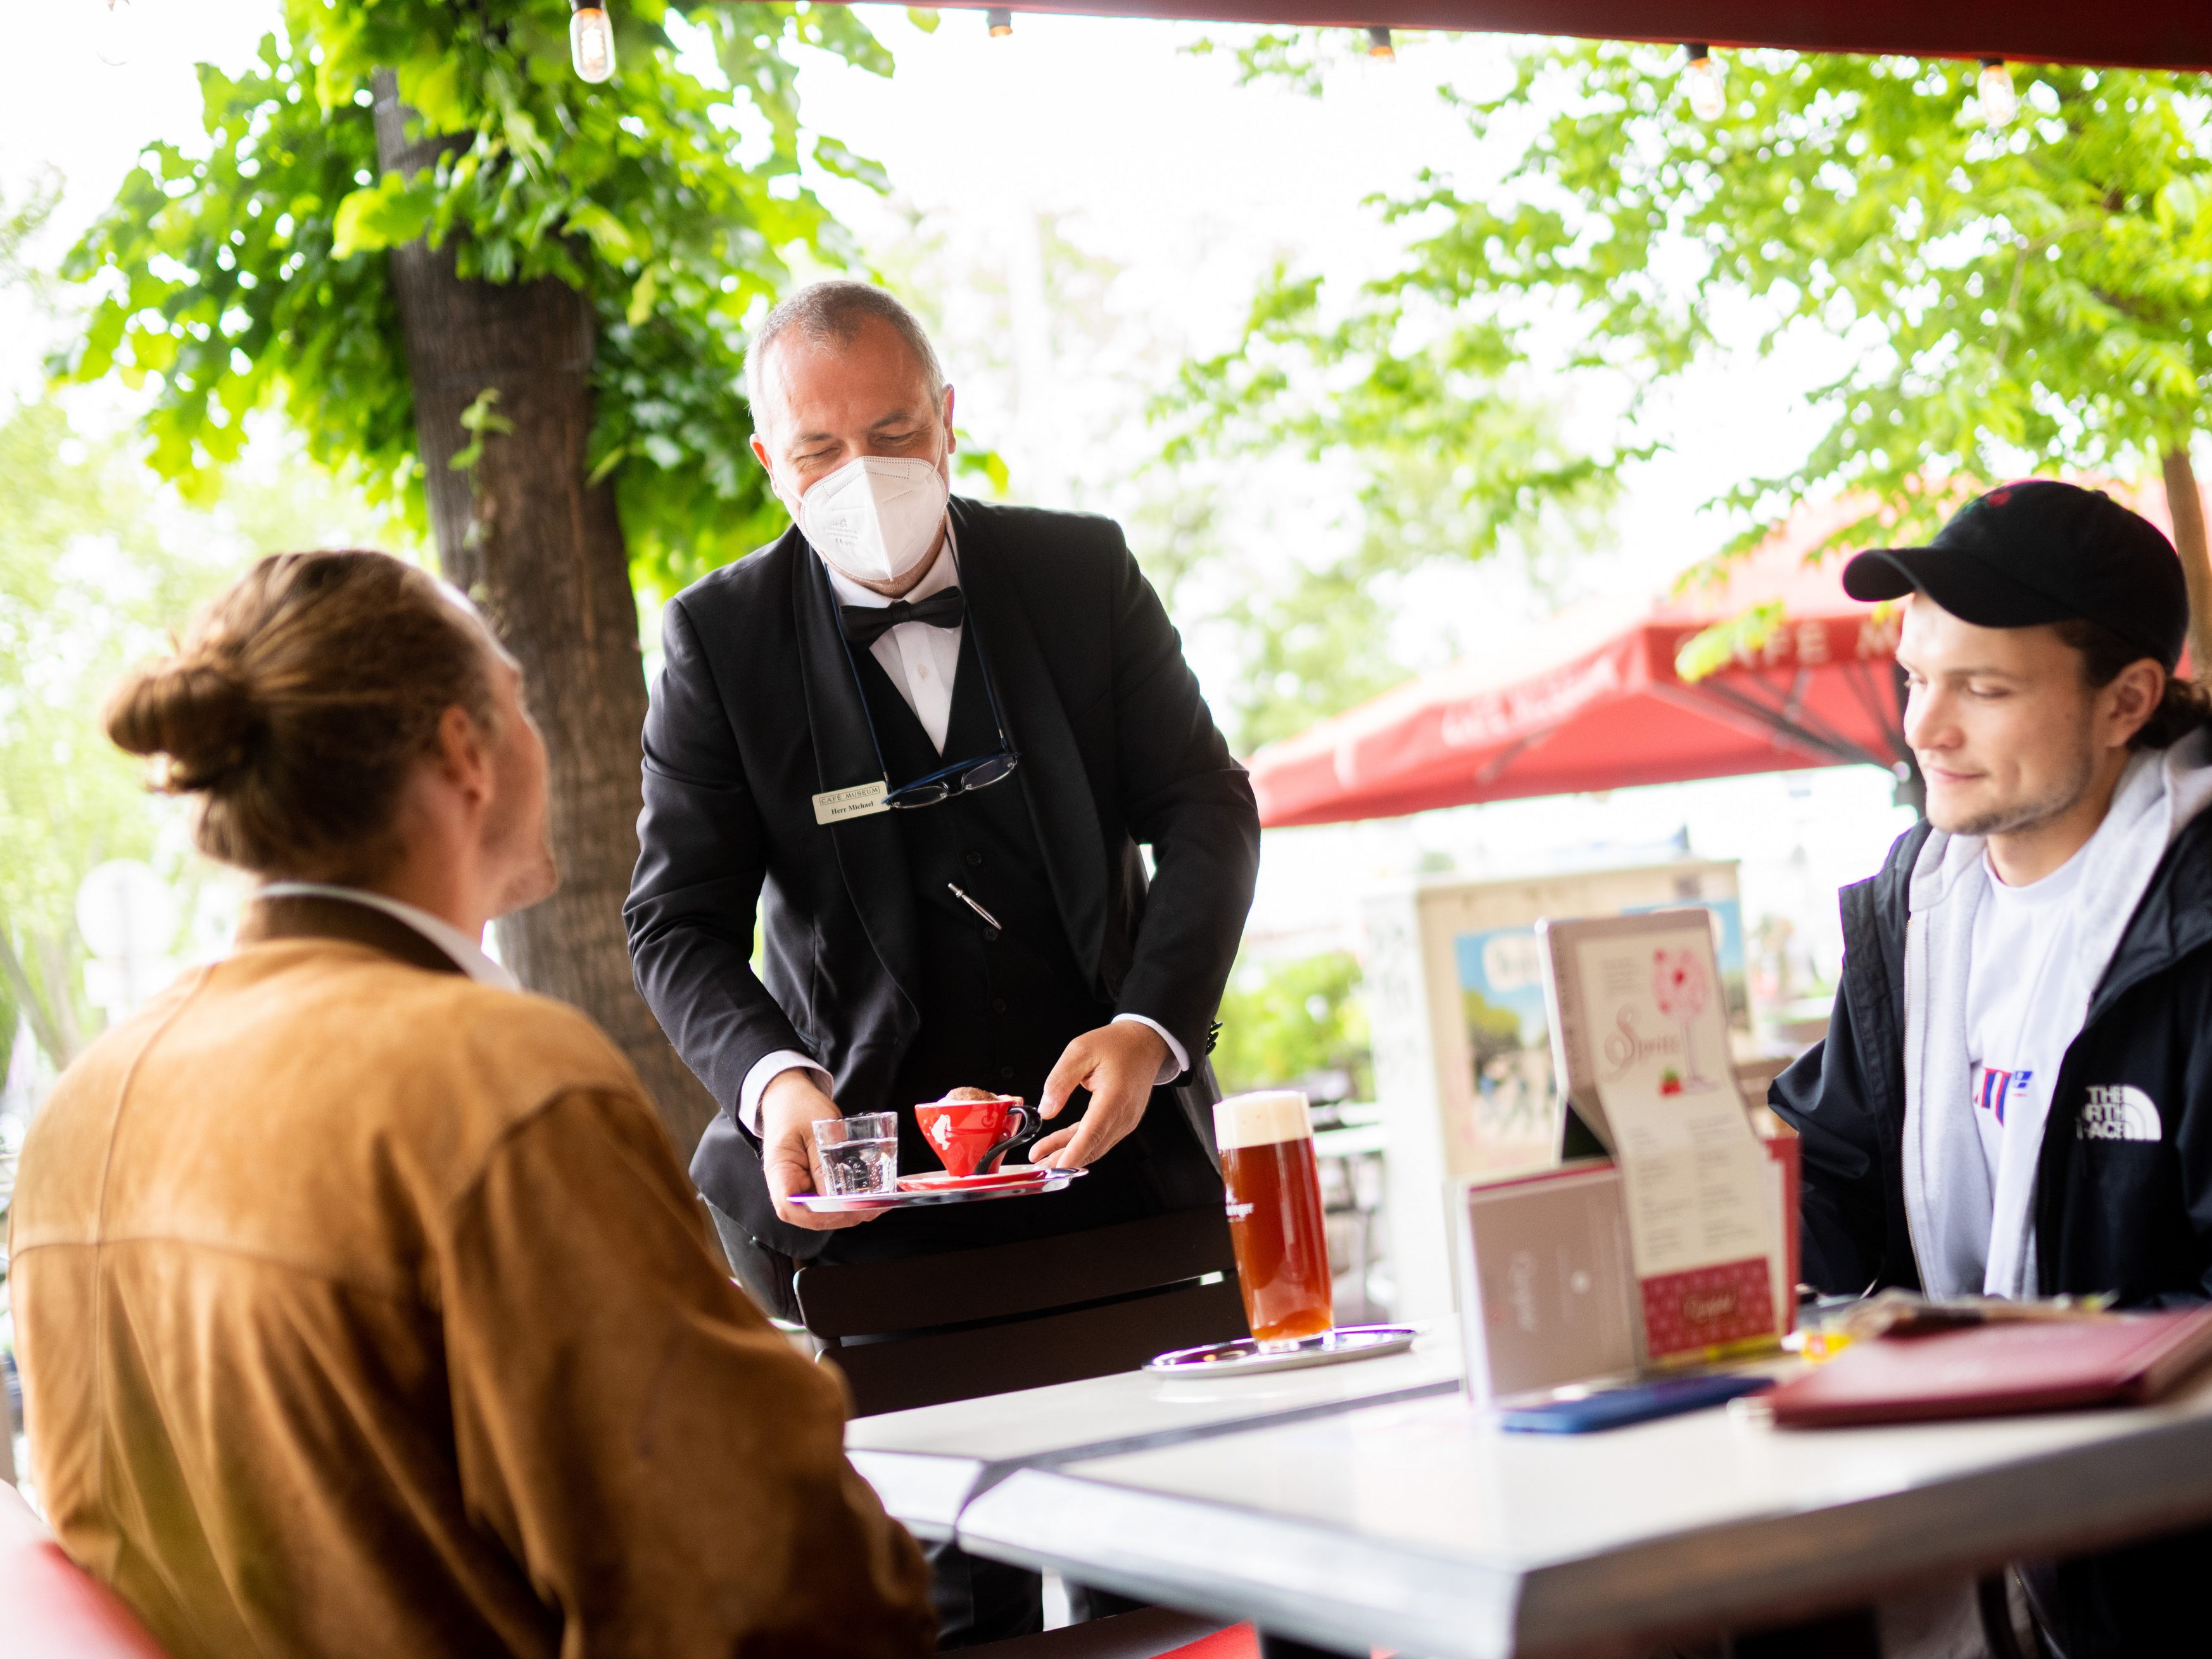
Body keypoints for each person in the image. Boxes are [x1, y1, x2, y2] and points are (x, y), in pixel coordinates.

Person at [7, 551, 934, 1659]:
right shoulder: (497, 1081)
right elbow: (774, 1590)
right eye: (518, 698)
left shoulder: (80, 1112)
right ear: (464, 751)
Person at [624, 281, 1260, 1641]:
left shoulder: (1080, 573)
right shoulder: (719, 641)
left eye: (894, 432)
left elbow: (1208, 809)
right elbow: (673, 920)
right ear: (771, 462)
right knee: (946, 1607)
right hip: (877, 1218)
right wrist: (777, 1084)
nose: (861, 473)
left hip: (1116, 1181)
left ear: (949, 420)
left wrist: (1151, 1025)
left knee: (1175, 1576)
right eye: (819, 449)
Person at [1770, 481, 2212, 1657]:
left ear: (2126, 701)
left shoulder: (2198, 923)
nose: (1924, 728)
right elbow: (1828, 1179)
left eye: (1983, 688)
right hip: (1957, 1536)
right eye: (1915, 678)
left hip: (2155, 1572)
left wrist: (1979, 1358)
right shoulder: (1915, 907)